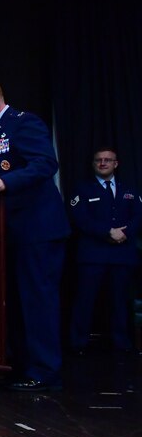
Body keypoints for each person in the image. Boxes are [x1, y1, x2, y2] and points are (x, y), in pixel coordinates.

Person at [0, 76, 70, 390]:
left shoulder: (24, 124)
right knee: (19, 303)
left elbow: (46, 163)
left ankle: (46, 372)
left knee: (38, 302)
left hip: (39, 231)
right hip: (13, 232)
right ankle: (23, 366)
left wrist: (7, 182)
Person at [69, 147, 142, 353]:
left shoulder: (129, 188)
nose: (103, 163)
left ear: (115, 164)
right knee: (85, 301)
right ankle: (78, 344)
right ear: (93, 164)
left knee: (120, 301)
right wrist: (107, 232)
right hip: (92, 255)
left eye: (108, 160)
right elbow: (79, 218)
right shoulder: (82, 189)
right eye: (99, 160)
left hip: (122, 255)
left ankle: (122, 344)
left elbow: (138, 215)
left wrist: (125, 233)